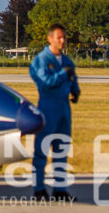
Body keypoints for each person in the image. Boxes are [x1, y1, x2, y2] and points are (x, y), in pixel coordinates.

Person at [29, 22, 81, 202]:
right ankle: (39, 189)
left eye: (64, 37)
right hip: (48, 106)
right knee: (42, 149)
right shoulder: (41, 60)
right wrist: (62, 75)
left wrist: (75, 90)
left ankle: (60, 189)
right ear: (50, 38)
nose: (63, 41)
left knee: (62, 148)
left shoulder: (67, 61)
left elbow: (73, 78)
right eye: (59, 37)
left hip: (64, 108)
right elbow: (45, 82)